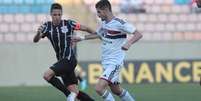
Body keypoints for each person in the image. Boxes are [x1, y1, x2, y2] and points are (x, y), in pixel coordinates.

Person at [72, 0, 142, 101]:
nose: (98, 15)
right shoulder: (104, 23)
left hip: (114, 62)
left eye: (99, 12)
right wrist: (81, 38)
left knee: (99, 88)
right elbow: (98, 34)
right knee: (116, 90)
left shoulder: (119, 23)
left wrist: (128, 43)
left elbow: (138, 34)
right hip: (106, 62)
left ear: (105, 10)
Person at [33, 3, 94, 101]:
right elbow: (35, 40)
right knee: (76, 93)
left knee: (47, 75)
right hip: (62, 61)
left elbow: (86, 28)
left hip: (69, 59)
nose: (57, 17)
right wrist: (38, 33)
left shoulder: (69, 24)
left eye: (59, 14)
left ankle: (68, 94)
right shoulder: (46, 27)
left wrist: (96, 34)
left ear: (61, 14)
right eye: (54, 15)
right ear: (51, 14)